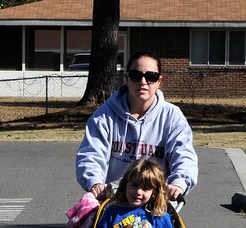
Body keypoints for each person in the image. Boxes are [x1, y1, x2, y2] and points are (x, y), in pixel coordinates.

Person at [76, 50, 198, 202]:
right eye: (136, 75)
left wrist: (179, 183)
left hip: (156, 204)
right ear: (127, 78)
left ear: (159, 81)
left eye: (151, 77)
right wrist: (95, 182)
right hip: (113, 202)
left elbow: (184, 155)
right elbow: (91, 154)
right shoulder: (104, 115)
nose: (143, 82)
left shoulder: (172, 117)